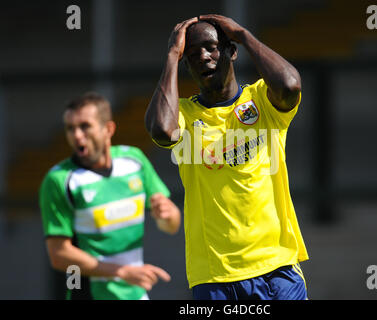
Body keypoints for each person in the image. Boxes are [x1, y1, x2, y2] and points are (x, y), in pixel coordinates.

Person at [145, 14, 309, 300]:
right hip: (214, 276)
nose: (204, 57)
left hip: (277, 266)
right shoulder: (184, 115)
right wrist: (172, 56)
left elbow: (290, 85)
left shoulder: (261, 100)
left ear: (231, 52)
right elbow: (161, 130)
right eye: (193, 54)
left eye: (212, 47)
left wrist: (244, 35)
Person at [39, 92, 181, 300]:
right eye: (70, 128)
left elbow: (171, 225)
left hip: (135, 293)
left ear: (108, 129)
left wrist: (167, 215)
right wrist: (121, 272)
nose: (77, 135)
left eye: (85, 126)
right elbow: (59, 255)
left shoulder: (134, 160)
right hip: (86, 293)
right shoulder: (60, 180)